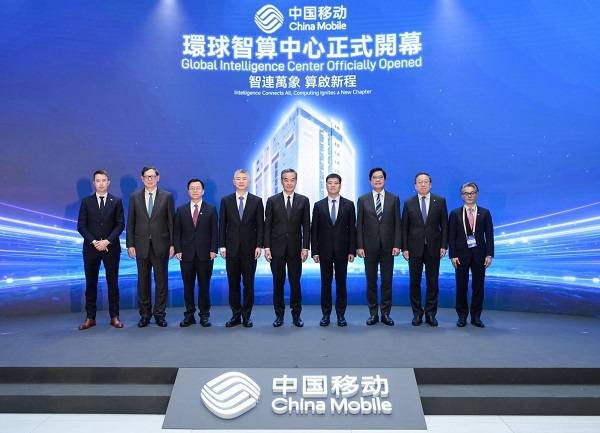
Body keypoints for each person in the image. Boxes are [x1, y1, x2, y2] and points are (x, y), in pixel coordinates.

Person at [126, 166, 175, 328]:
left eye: (152, 176)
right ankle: (145, 315)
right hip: (141, 246)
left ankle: (159, 314)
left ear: (158, 178)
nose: (150, 179)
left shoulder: (167, 196)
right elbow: (131, 222)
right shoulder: (134, 197)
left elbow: (171, 222)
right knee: (143, 282)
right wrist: (130, 245)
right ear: (142, 179)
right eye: (147, 176)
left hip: (161, 245)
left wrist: (173, 244)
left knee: (161, 282)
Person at [77, 170, 125, 330]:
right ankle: (90, 317)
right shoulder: (86, 202)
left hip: (111, 248)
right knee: (91, 284)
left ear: (108, 182)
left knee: (113, 283)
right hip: (91, 249)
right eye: (98, 180)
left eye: (104, 180)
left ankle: (115, 316)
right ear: (94, 183)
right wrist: (94, 242)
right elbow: (81, 226)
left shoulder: (116, 201)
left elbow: (120, 224)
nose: (101, 183)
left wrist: (107, 241)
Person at [264, 168, 311, 328]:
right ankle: (279, 315)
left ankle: (296, 315)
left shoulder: (303, 200)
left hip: (295, 249)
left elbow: (306, 226)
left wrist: (305, 248)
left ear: (296, 181)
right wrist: (267, 247)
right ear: (281, 181)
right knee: (278, 283)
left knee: (295, 282)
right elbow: (267, 226)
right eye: (286, 179)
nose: (289, 183)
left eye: (292, 180)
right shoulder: (272, 200)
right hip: (276, 248)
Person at [356, 168, 402, 326]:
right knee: (371, 282)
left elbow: (397, 224)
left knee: (387, 281)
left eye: (380, 177)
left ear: (385, 180)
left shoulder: (394, 198)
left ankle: (386, 313)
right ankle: (373, 313)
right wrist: (360, 246)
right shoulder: (363, 199)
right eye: (374, 178)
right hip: (369, 247)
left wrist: (397, 244)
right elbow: (359, 225)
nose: (377, 180)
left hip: (388, 246)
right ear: (370, 181)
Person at [402, 172, 448, 327]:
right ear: (415, 185)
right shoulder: (408, 203)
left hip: (434, 247)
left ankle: (430, 314)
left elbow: (444, 225)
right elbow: (404, 227)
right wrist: (405, 248)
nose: (423, 184)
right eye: (420, 182)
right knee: (414, 282)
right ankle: (417, 313)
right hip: (414, 248)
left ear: (431, 184)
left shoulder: (440, 201)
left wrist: (443, 245)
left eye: (426, 181)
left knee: (432, 282)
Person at [219, 169, 264, 328]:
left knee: (249, 283)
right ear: (234, 182)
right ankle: (235, 315)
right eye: (238, 179)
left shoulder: (257, 201)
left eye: (244, 179)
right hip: (231, 249)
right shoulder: (226, 201)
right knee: (233, 284)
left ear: (249, 182)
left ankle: (246, 316)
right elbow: (222, 225)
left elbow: (260, 225)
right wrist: (222, 246)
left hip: (250, 249)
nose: (241, 181)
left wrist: (259, 245)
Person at [311, 173, 356, 326]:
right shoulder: (319, 205)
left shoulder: (349, 205)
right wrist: (314, 251)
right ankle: (326, 315)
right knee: (326, 284)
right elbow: (314, 230)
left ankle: (341, 315)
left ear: (340, 185)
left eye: (336, 183)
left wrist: (352, 250)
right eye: (330, 183)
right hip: (324, 251)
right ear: (326, 185)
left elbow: (352, 229)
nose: (333, 185)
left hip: (343, 250)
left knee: (341, 284)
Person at [448, 182, 494, 328]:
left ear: (477, 194)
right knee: (461, 287)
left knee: (478, 287)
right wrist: (452, 255)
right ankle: (462, 316)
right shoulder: (455, 213)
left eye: (472, 193)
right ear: (462, 196)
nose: (469, 196)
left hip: (480, 255)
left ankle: (476, 317)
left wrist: (489, 254)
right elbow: (451, 236)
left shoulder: (485, 213)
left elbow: (489, 236)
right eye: (466, 193)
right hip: (460, 256)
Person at [174, 179, 218, 328]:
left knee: (204, 286)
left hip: (205, 254)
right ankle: (189, 315)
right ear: (188, 191)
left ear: (203, 191)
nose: (195, 190)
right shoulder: (181, 210)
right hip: (186, 254)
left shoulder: (211, 209)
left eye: (198, 188)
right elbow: (177, 232)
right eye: (192, 188)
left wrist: (213, 249)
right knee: (188, 286)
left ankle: (204, 315)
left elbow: (214, 231)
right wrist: (178, 249)